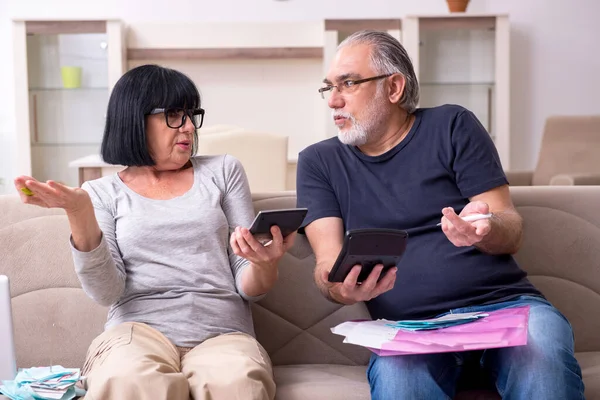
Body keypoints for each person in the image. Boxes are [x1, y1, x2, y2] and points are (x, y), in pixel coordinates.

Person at [296, 30, 584, 400]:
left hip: (504, 307)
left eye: (348, 84)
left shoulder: (452, 125)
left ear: (394, 87)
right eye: (329, 87)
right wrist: (340, 286)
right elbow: (326, 265)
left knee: (541, 353)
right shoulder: (318, 162)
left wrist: (485, 229)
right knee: (399, 379)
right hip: (409, 329)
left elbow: (510, 227)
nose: (333, 100)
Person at [14, 64, 295, 400]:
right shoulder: (101, 193)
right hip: (136, 334)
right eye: (175, 114)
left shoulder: (223, 171)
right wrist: (79, 212)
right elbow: (107, 292)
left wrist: (264, 263)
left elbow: (250, 287)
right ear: (135, 120)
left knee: (238, 385)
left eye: (192, 114)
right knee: (129, 382)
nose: (189, 126)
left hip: (223, 334)